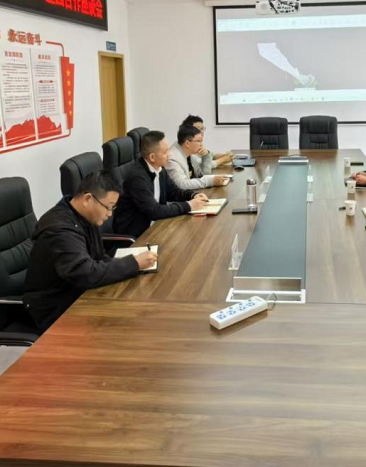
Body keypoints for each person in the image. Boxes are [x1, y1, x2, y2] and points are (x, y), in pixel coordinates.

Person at [23, 171, 157, 332]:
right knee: (127, 324)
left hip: (78, 292)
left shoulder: (82, 216)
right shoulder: (59, 230)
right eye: (108, 207)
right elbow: (84, 273)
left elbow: (97, 258)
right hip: (55, 307)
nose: (110, 214)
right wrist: (134, 263)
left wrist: (129, 263)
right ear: (87, 199)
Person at [114, 130, 209, 237]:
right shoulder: (138, 178)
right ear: (152, 157)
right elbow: (154, 211)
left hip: (156, 226)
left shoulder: (159, 168)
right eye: (165, 152)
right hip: (138, 235)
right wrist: (189, 205)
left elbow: (173, 192)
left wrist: (193, 195)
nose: (169, 154)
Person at [167, 124, 229, 190]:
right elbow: (182, 184)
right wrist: (210, 181)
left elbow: (203, 175)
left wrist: (206, 156)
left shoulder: (190, 155)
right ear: (187, 143)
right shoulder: (172, 159)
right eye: (199, 141)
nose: (201, 144)